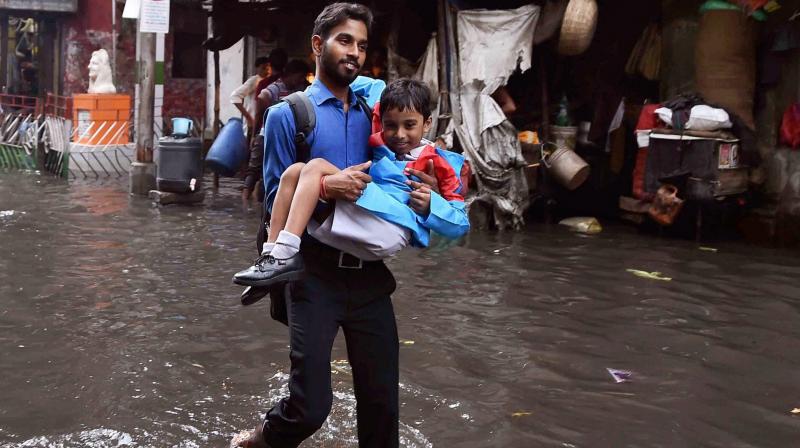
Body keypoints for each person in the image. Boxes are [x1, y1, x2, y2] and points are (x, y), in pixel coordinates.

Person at [231, 4, 442, 448]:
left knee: (382, 407)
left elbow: (403, 164)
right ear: (317, 45)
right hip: (313, 274)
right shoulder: (289, 114)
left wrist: (426, 191)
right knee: (310, 409)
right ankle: (259, 440)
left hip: (370, 276)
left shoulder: (376, 111)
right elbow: (274, 202)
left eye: (362, 45)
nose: (355, 52)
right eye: (345, 40)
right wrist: (327, 187)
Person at [233, 78, 469, 287]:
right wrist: (318, 90)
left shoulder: (442, 162)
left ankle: (286, 253)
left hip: (391, 225)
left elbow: (460, 222)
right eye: (391, 125)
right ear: (382, 119)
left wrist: (431, 205)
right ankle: (270, 255)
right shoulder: (381, 129)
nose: (399, 135)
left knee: (315, 166)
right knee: (294, 172)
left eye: (410, 125)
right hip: (367, 206)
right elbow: (373, 85)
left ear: (427, 123)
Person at [241, 59, 311, 201]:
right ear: (291, 74)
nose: (301, 80)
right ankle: (245, 202)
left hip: (287, 137)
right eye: (299, 76)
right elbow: (262, 98)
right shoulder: (277, 87)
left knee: (277, 173)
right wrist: (254, 135)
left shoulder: (299, 89)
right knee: (253, 170)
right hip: (266, 135)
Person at [230, 56, 270, 135]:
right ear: (257, 68)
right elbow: (234, 96)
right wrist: (248, 117)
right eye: (263, 68)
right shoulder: (254, 80)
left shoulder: (268, 81)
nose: (266, 71)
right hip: (252, 125)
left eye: (268, 69)